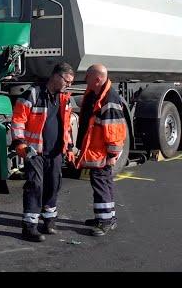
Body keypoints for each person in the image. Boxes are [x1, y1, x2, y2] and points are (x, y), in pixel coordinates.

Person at [11, 62, 76, 242]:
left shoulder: (65, 99)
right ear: (56, 76)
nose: (68, 85)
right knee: (35, 185)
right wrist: (20, 143)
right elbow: (18, 120)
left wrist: (69, 147)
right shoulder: (33, 94)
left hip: (55, 151)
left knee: (53, 184)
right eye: (67, 81)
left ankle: (49, 220)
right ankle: (29, 226)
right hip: (34, 151)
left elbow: (66, 127)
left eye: (70, 82)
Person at [75, 64, 127, 236]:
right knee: (103, 182)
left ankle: (104, 222)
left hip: (102, 152)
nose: (85, 79)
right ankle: (106, 217)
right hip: (97, 150)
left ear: (97, 79)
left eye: (88, 76)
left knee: (101, 183)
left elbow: (115, 130)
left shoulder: (109, 100)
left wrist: (112, 154)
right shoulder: (98, 95)